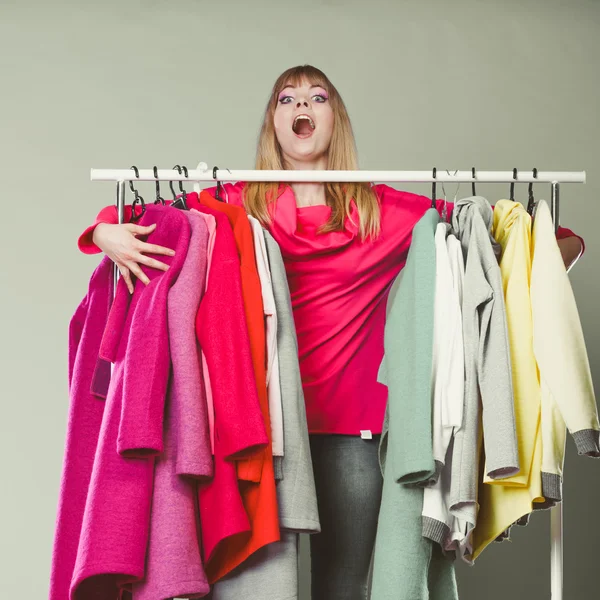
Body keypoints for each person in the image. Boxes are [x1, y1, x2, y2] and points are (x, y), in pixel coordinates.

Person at [79, 65, 585, 600]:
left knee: (341, 586)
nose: (302, 105)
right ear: (273, 122)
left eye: (317, 97)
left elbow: (499, 236)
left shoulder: (383, 210)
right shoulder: (237, 204)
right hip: (262, 431)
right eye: (286, 98)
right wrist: (103, 229)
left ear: (333, 119)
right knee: (246, 580)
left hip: (352, 437)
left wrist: (545, 259)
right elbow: (146, 218)